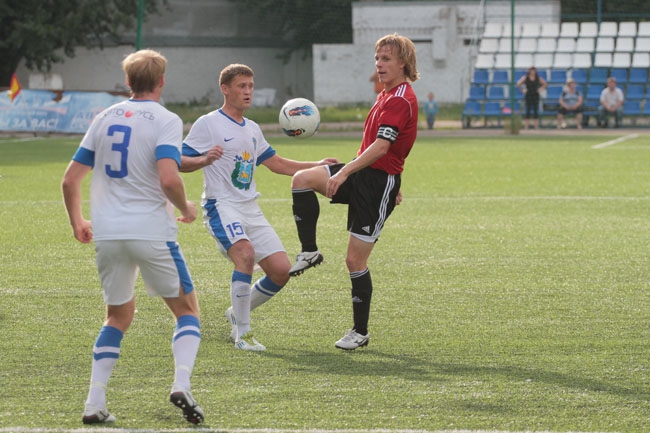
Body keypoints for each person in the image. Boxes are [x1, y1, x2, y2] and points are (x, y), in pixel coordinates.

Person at [61, 50, 204, 425]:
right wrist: (187, 208)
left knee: (118, 316)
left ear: (128, 82)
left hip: (108, 234)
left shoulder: (104, 117)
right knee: (187, 311)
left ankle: (94, 402)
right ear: (162, 81)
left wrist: (78, 222)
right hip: (152, 231)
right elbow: (169, 178)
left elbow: (70, 180)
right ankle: (182, 385)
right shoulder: (166, 119)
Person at [180, 64, 338, 352]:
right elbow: (179, 160)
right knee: (245, 255)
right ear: (225, 89)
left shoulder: (252, 128)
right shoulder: (208, 124)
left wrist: (317, 165)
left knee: (281, 272)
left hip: (249, 208)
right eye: (241, 86)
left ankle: (235, 312)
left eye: (251, 86)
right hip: (221, 205)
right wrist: (203, 160)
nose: (248, 91)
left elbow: (277, 164)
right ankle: (243, 334)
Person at [288, 33, 419, 350]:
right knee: (302, 179)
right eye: (377, 58)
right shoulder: (386, 94)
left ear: (403, 63)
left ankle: (360, 332)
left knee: (354, 261)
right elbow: (387, 148)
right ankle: (309, 252)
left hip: (376, 185)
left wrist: (347, 172)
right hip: (364, 174)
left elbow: (383, 146)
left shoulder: (400, 99)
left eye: (386, 59)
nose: (379, 64)